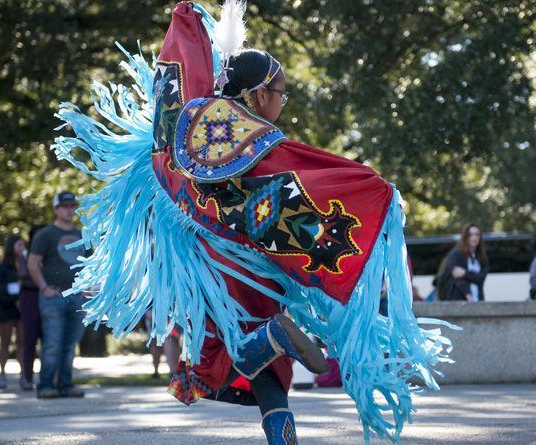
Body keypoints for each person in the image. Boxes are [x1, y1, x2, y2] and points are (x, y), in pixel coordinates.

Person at [49, 2, 457, 442]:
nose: (283, 102)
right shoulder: (254, 137)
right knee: (240, 353)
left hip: (206, 263)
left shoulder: (192, 122)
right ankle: (265, 341)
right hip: (243, 266)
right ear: (260, 93)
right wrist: (371, 188)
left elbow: (180, 85)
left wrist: (188, 23)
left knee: (256, 369)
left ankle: (274, 394)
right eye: (281, 93)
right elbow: (308, 174)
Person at [27, 191, 87, 398]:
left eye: (72, 206)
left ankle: (65, 384)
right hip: (54, 295)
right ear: (56, 209)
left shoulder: (82, 235)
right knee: (52, 342)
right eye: (65, 206)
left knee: (70, 344)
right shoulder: (46, 234)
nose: (69, 210)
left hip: (77, 296)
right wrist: (43, 287)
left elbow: (91, 265)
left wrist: (89, 286)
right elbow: (32, 263)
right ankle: (45, 385)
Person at [0, 235, 26, 389]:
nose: (22, 248)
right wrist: (14, 300)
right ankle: (2, 374)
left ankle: (24, 375)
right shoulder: (2, 268)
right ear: (12, 246)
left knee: (22, 342)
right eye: (19, 245)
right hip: (6, 310)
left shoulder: (26, 264)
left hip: (23, 310)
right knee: (5, 343)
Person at [19, 225, 44, 390]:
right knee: (29, 341)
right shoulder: (25, 256)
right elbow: (22, 275)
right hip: (30, 300)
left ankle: (46, 377)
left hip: (46, 298)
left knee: (48, 341)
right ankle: (27, 376)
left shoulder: (48, 254)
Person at [439, 224, 489, 301]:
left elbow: (481, 278)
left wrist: (465, 273)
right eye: (471, 234)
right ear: (465, 237)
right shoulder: (457, 253)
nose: (474, 237)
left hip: (478, 299)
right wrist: (468, 295)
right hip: (459, 300)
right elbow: (458, 278)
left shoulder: (481, 256)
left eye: (477, 234)